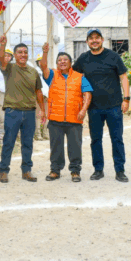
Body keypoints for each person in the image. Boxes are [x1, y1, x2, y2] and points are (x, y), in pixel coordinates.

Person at [73, 28, 130, 183]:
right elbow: (73, 77)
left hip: (114, 106)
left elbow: (123, 77)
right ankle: (98, 170)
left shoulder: (113, 56)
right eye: (91, 38)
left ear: (102, 40)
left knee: (117, 139)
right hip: (94, 108)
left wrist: (126, 99)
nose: (94, 41)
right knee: (95, 140)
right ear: (87, 42)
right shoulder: (83, 59)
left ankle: (120, 171)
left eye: (97, 38)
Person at [39, 44, 92, 183]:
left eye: (65, 60)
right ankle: (55, 170)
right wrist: (45, 52)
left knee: (75, 147)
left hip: (75, 119)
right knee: (55, 147)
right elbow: (43, 66)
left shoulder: (80, 77)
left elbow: (87, 94)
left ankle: (75, 171)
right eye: (59, 60)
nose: (62, 62)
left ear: (70, 63)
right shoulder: (52, 75)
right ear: (56, 64)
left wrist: (83, 110)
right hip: (55, 119)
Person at [0, 35, 45, 183]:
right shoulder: (9, 68)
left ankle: (27, 171)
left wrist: (42, 109)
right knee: (9, 142)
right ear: (15, 55)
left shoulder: (33, 72)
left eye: (25, 52)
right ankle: (3, 171)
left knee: (28, 143)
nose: (23, 55)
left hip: (30, 112)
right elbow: (0, 59)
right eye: (20, 52)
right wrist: (2, 45)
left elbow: (38, 92)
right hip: (13, 111)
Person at [34, 54, 50, 141]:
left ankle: (45, 132)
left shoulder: (47, 72)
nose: (42, 63)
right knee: (38, 115)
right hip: (38, 96)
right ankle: (38, 134)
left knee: (46, 115)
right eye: (40, 61)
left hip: (46, 96)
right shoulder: (36, 71)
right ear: (37, 62)